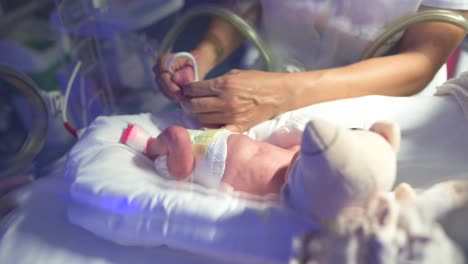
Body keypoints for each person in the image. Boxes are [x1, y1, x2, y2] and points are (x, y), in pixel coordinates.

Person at [154, 1, 468, 132]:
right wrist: (206, 52)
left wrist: (283, 94)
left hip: (386, 113)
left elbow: (422, 59)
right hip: (263, 85)